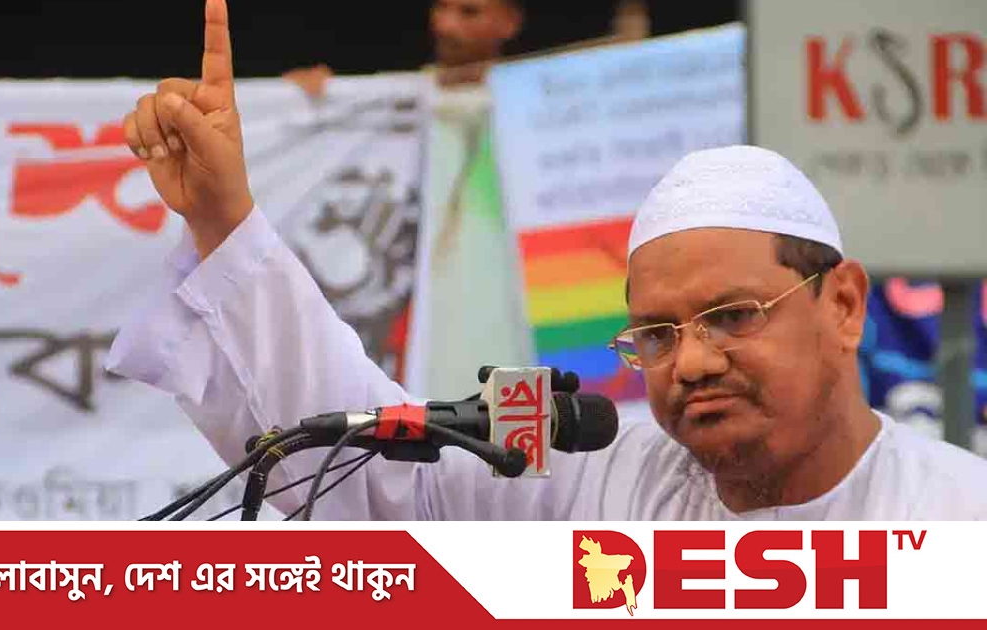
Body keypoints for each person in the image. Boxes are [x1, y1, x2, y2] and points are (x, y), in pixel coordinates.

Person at [109, 0, 987, 520]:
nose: (691, 363)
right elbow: (372, 474)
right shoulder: (592, 481)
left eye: (731, 317)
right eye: (656, 334)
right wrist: (224, 220)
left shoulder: (960, 521)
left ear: (843, 305)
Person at [284, 0, 526, 98]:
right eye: (440, 7)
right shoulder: (396, 96)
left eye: (469, 12)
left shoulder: (533, 100)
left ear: (510, 23)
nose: (445, 26)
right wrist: (295, 95)